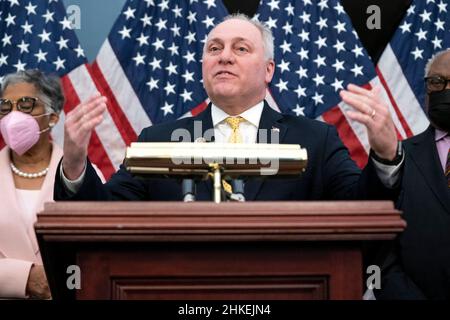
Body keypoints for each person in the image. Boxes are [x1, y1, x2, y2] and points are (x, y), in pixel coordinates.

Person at [54, 14, 401, 205]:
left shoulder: (316, 140)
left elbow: (362, 210)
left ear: (268, 70)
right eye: (215, 48)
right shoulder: (157, 141)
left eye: (241, 48)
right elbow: (104, 215)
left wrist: (385, 156)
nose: (224, 56)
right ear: (203, 66)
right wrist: (73, 164)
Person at [370, 50, 450, 300]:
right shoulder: (394, 157)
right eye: (437, 82)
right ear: (426, 89)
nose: (445, 90)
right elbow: (379, 252)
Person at [0, 70, 63, 299]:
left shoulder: (83, 176)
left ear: (53, 116)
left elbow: (97, 249)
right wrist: (24, 277)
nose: (13, 116)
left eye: (26, 104)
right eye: (5, 107)